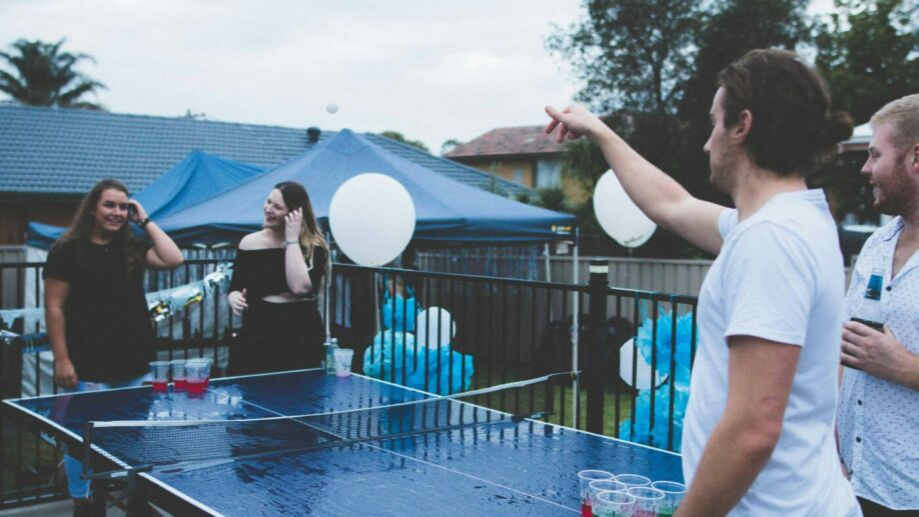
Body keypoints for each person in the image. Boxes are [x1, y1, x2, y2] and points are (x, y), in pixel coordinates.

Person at [546, 49, 859, 516]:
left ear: (742, 126)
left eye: (715, 123)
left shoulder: (771, 239)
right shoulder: (787, 221)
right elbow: (670, 204)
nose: (707, 143)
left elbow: (754, 428)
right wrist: (599, 131)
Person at [43, 178, 183, 515]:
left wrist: (145, 220)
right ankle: (85, 499)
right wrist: (62, 359)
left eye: (123, 206)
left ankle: (134, 496)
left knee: (129, 432)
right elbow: (54, 307)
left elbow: (174, 257)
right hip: (86, 360)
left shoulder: (131, 246)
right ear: (93, 208)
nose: (117, 212)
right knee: (81, 437)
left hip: (132, 358)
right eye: (110, 205)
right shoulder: (67, 250)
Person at [838, 93, 919, 515]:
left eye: (875, 155)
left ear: (916, 157)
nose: (866, 169)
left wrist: (903, 367)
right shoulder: (875, 244)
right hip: (854, 482)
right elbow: (849, 347)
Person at [227, 181, 329, 375]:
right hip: (260, 327)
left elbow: (300, 287)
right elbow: (235, 286)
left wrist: (291, 240)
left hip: (299, 330)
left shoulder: (313, 246)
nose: (268, 209)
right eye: (268, 202)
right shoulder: (249, 243)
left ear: (294, 214)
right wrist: (234, 299)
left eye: (277, 207)